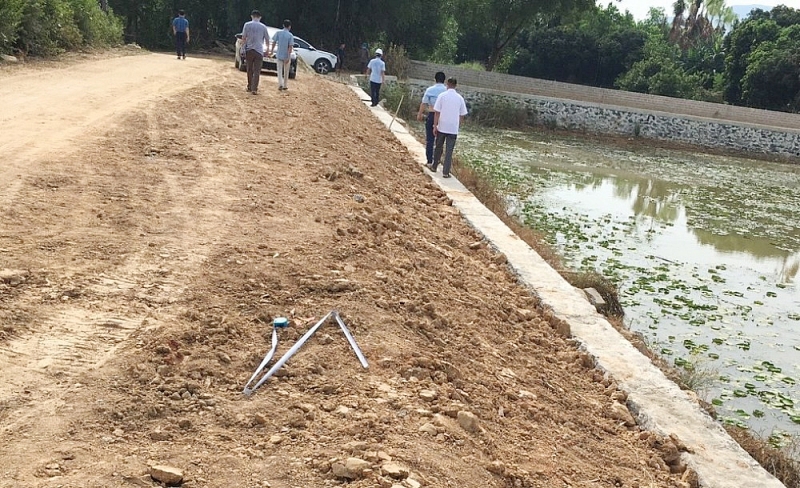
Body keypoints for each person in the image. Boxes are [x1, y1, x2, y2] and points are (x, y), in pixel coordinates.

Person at [428, 77, 468, 178]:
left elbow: (437, 112)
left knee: (438, 147)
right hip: (453, 129)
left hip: (442, 126)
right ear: (456, 85)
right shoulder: (460, 98)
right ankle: (446, 172)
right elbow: (462, 114)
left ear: (447, 84)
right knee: (449, 151)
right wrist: (458, 125)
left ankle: (434, 166)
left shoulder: (442, 96)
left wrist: (435, 125)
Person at [417, 71, 447, 167]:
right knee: (440, 141)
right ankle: (437, 161)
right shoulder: (446, 90)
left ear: (434, 79)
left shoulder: (430, 90)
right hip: (443, 117)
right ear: (444, 81)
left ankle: (429, 161)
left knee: (430, 140)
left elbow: (424, 103)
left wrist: (420, 114)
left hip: (432, 115)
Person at [241, 10, 269, 95]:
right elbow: (267, 39)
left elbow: (243, 38)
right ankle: (254, 89)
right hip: (259, 51)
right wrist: (267, 50)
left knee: (249, 69)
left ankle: (249, 86)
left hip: (249, 49)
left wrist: (242, 48)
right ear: (260, 17)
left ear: (252, 16)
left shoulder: (247, 25)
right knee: (257, 71)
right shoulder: (263, 27)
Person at [269, 19, 294, 91]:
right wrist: (288, 56)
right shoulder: (290, 35)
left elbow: (274, 42)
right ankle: (285, 85)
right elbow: (290, 47)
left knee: (279, 70)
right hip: (286, 55)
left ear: (283, 25)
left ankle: (280, 84)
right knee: (286, 71)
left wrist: (271, 51)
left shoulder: (278, 33)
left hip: (279, 54)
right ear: (289, 26)